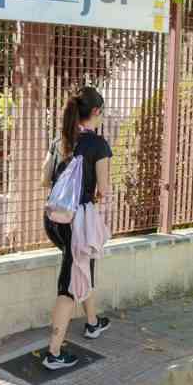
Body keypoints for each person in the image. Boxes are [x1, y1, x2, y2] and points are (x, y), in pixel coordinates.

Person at [41, 87, 112, 370]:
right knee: (69, 285)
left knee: (80, 263)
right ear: (95, 112)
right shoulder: (98, 145)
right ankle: (53, 353)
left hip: (53, 220)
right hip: (76, 223)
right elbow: (104, 191)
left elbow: (44, 179)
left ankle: (93, 322)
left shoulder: (60, 140)